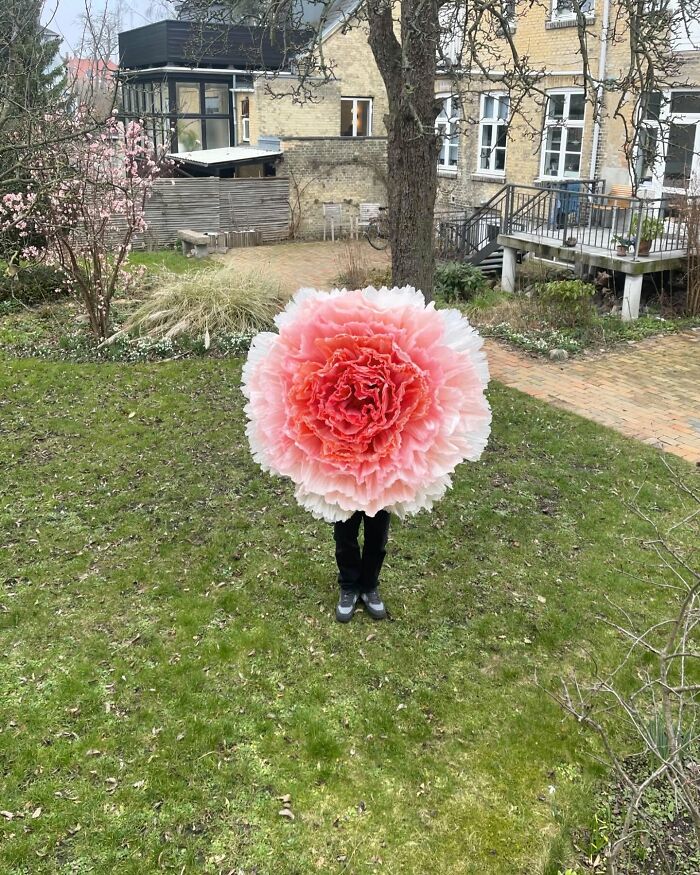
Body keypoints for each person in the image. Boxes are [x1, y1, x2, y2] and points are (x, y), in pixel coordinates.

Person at [334, 510, 390, 622]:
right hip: (347, 491)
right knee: (345, 530)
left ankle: (369, 585)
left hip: (380, 492)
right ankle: (349, 585)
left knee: (378, 532)